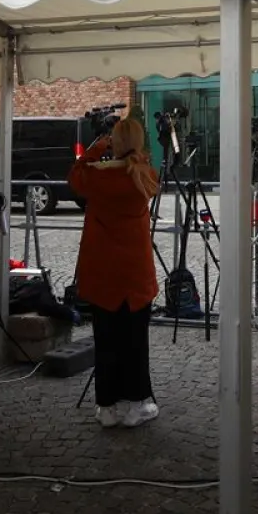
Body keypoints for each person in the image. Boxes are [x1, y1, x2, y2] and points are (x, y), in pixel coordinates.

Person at [69, 114, 161, 429]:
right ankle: (136, 404)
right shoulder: (144, 175)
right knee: (136, 342)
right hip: (135, 275)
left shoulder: (97, 178)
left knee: (105, 341)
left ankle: (106, 407)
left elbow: (75, 174)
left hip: (103, 275)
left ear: (115, 144)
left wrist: (97, 148)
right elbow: (149, 174)